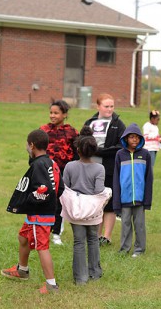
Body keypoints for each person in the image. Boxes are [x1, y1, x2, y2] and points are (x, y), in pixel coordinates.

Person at [1, 129, 64, 294]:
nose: (26, 148)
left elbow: (45, 190)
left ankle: (51, 285)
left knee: (42, 247)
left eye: (27, 145)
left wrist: (30, 200)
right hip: (42, 213)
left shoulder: (38, 165)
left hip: (40, 214)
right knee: (23, 237)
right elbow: (60, 187)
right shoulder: (51, 163)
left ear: (32, 145)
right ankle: (22, 270)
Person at [60, 127, 111, 285]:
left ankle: (80, 278)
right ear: (95, 150)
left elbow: (65, 187)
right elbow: (98, 191)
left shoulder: (70, 166)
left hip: (76, 209)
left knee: (78, 242)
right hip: (94, 210)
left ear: (78, 149)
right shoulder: (99, 168)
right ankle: (95, 272)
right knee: (93, 240)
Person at [84, 93, 126, 246]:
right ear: (98, 107)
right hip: (90, 167)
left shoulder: (118, 124)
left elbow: (122, 145)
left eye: (112, 106)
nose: (109, 109)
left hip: (109, 168)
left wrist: (101, 151)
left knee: (108, 203)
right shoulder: (90, 122)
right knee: (95, 201)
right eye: (106, 106)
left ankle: (106, 237)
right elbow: (82, 140)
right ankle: (95, 234)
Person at [40, 100, 79, 245]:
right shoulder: (43, 130)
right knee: (44, 199)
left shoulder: (72, 132)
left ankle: (56, 233)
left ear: (64, 114)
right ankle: (42, 229)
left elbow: (77, 153)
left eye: (56, 113)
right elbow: (35, 149)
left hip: (63, 172)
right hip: (45, 170)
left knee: (59, 202)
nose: (52, 115)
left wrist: (72, 170)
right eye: (51, 112)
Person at [113, 123, 153, 257]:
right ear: (126, 139)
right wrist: (116, 202)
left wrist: (147, 200)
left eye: (137, 137)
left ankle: (139, 250)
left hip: (140, 199)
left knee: (140, 225)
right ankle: (124, 249)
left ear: (140, 138)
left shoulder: (145, 154)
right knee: (125, 225)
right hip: (124, 198)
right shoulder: (120, 155)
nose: (134, 140)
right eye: (131, 137)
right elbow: (116, 179)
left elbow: (149, 179)